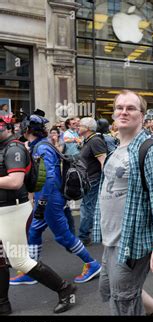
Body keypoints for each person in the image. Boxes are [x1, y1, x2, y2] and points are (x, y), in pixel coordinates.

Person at [92, 90, 153, 316]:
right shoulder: (114, 150)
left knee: (123, 300)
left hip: (131, 240)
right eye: (119, 108)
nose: (123, 112)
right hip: (111, 238)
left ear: (142, 116)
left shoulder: (149, 151)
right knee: (112, 289)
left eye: (130, 108)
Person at [9, 110, 101, 286]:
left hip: (49, 200)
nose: (19, 128)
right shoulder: (40, 145)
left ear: (28, 129)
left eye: (22, 126)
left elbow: (50, 177)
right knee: (34, 232)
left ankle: (92, 264)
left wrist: (42, 202)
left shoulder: (42, 147)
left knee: (63, 237)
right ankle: (32, 272)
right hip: (47, 199)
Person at [0, 113, 77, 314]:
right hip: (5, 209)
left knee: (19, 260)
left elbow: (15, 181)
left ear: (7, 128)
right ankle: (3, 304)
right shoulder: (6, 147)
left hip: (13, 210)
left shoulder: (14, 148)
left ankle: (65, 289)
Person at [77, 117, 107, 246]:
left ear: (87, 128)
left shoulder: (95, 141)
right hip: (88, 179)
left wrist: (105, 181)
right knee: (89, 206)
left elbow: (103, 161)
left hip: (93, 179)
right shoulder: (89, 140)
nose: (78, 127)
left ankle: (84, 236)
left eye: (80, 125)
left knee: (87, 207)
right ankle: (92, 233)